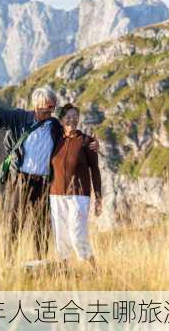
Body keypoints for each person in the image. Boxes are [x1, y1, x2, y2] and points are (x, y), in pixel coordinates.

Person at [0, 81, 99, 259]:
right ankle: (8, 261)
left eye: (53, 107)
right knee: (13, 222)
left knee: (41, 226)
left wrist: (91, 142)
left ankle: (40, 261)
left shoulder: (54, 126)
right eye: (48, 107)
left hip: (44, 182)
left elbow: (72, 134)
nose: (51, 111)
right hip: (21, 179)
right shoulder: (20, 118)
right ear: (37, 104)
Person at [49, 103, 102, 267]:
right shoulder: (55, 140)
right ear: (62, 119)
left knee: (77, 232)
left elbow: (95, 170)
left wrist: (98, 198)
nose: (72, 120)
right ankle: (64, 270)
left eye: (75, 116)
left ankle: (93, 267)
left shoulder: (87, 141)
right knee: (60, 235)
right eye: (68, 117)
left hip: (79, 195)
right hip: (56, 194)